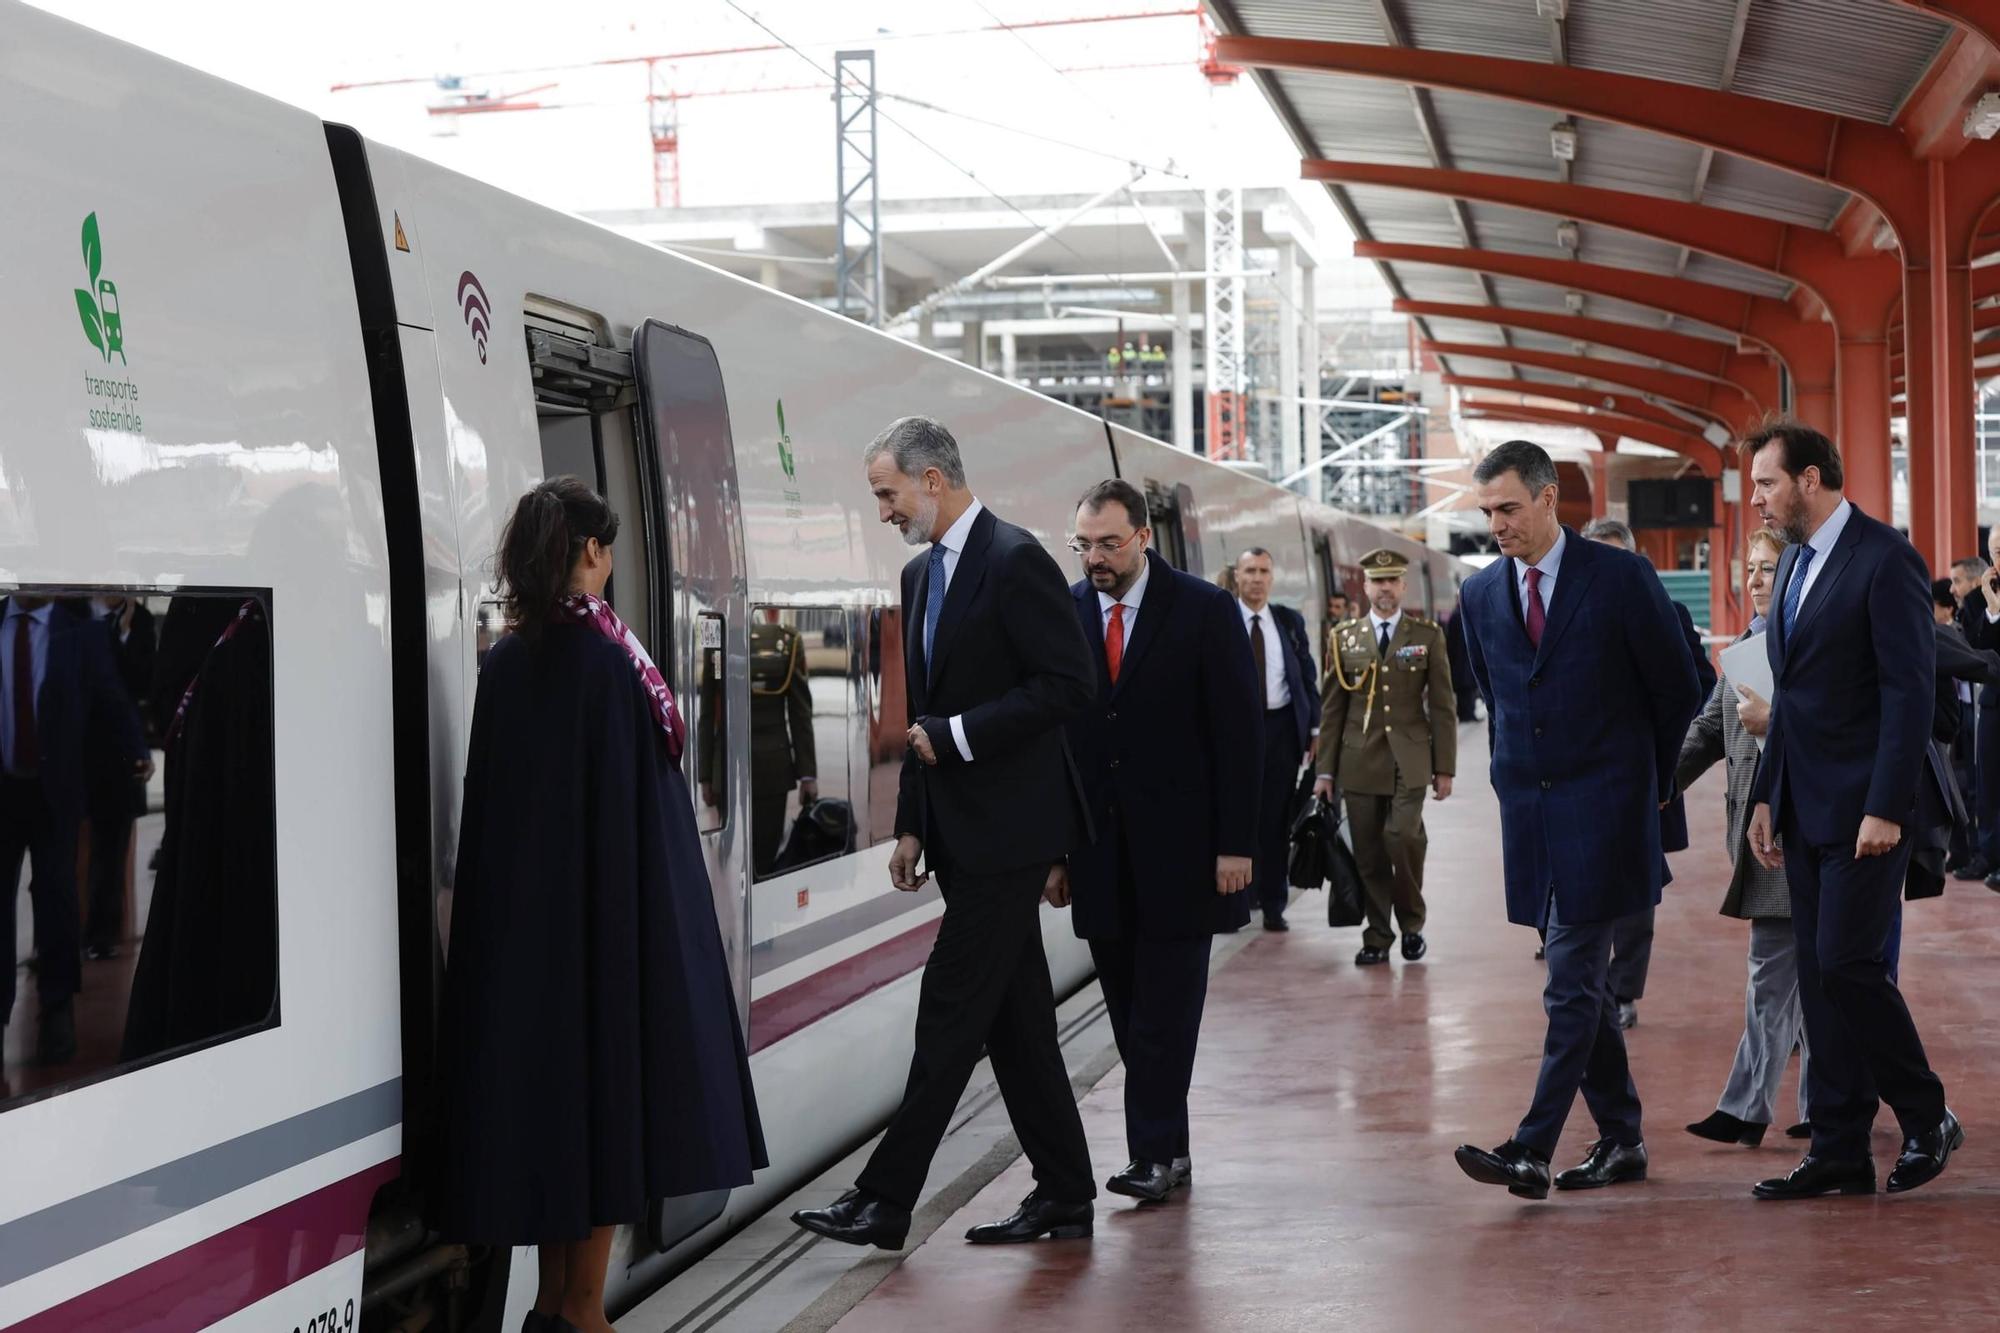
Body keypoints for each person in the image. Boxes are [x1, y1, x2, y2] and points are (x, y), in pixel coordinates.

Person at [432, 477, 765, 1333]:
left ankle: (552, 1304)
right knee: (611, 1109)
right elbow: (637, 823)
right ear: (590, 552)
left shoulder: (508, 662)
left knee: (553, 1117)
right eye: (608, 551)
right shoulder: (611, 663)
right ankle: (581, 1310)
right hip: (607, 938)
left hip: (524, 950)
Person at [793, 417, 1097, 1249]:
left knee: (949, 1011)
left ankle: (885, 1198)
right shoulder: (919, 574)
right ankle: (1067, 1192)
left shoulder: (1017, 559)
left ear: (933, 480)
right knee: (1019, 1023)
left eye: (887, 493)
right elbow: (921, 713)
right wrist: (911, 827)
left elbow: (1067, 684)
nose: (882, 511)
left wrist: (962, 734)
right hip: (958, 835)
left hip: (1013, 834)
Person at [1451, 440, 1701, 1199]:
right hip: (1531, 823)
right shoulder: (1481, 595)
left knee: (1568, 980)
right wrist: (1505, 779)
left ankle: (1531, 1146)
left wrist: (1648, 786)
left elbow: (1679, 689)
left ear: (1548, 498)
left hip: (1608, 812)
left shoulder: (1619, 577)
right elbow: (1498, 698)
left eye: (1509, 508)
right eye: (1488, 511)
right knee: (1584, 989)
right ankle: (1622, 1138)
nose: (1497, 525)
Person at [1742, 418, 1959, 1200]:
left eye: (1767, 482)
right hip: (1802, 804)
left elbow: (1910, 692)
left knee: (1848, 964)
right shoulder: (1797, 564)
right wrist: (1768, 794)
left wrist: (1887, 805)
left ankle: (1928, 1115)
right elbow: (1793, 698)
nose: (1758, 499)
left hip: (1867, 810)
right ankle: (1838, 1147)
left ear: (1810, 478)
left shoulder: (1886, 559)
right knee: (1820, 975)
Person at [1054, 479, 1262, 1202]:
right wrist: (1058, 851)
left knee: (1164, 1015)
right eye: (1084, 544)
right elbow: (1058, 741)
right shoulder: (1068, 611)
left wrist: (1237, 844)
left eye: (1109, 543)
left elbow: (1240, 736)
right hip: (1099, 854)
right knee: (1128, 1010)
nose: (1095, 558)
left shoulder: (1204, 609)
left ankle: (1150, 1154)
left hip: (1185, 854)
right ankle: (1170, 1150)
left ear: (1145, 536)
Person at [1677, 527, 1810, 1148]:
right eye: (1750, 570)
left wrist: (1775, 719)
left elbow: (1848, 726)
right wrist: (1654, 783)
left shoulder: (1811, 645)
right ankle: (1813, 1105)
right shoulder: (1747, 646)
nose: (1756, 580)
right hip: (1759, 839)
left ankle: (1750, 1108)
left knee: (1781, 972)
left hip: (1800, 832)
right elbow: (1708, 728)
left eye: (1768, 569)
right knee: (1804, 977)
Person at [1577, 517, 1718, 1030]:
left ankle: (1622, 991)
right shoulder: (1558, 613)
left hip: (1643, 774)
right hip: (1578, 776)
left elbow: (1697, 686)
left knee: (1636, 889)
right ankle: (1585, 978)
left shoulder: (1669, 612)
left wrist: (1665, 758)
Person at [1, 596, 149, 1067]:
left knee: (58, 895)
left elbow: (109, 692)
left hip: (54, 791)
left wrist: (136, 747)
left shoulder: (76, 632)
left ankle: (57, 1007)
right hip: (1, 792)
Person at [1314, 548, 1456, 966]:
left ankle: (1412, 924)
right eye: (1378, 581)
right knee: (1370, 853)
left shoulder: (1426, 636)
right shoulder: (1344, 638)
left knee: (1404, 837)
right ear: (1366, 585)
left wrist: (1444, 766)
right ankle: (1378, 935)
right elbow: (1333, 709)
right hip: (1358, 762)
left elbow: (1444, 706)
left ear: (1403, 586)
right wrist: (1325, 772)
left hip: (1410, 759)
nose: (1385, 588)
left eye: (1392, 580)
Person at [1234, 547, 1321, 931]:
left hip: (1281, 730)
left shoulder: (1288, 622)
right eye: (1249, 570)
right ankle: (1235, 902)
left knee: (1275, 821)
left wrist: (1314, 728)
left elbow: (1307, 677)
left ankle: (1273, 903)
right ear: (1237, 577)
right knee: (1236, 817)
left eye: (1263, 571)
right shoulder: (1220, 620)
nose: (1256, 578)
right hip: (1234, 733)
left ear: (1272, 578)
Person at [83, 594, 155, 960]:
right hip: (78, 748)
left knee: (111, 847)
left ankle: (101, 933)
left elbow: (140, 684)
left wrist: (124, 635)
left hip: (118, 754)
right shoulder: (72, 612)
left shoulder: (138, 620)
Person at [746, 609, 817, 875]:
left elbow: (710, 712)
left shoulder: (726, 634)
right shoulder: (789, 641)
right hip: (773, 768)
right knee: (765, 854)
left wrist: (708, 775)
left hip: (727, 769)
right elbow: (800, 713)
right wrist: (807, 775)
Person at [1945, 559, 1988, 879]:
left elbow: (1979, 649)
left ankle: (1982, 852)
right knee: (1973, 788)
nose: (1952, 589)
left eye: (1957, 581)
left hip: (1982, 710)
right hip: (1970, 713)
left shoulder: (1977, 614)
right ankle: (1977, 852)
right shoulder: (1968, 615)